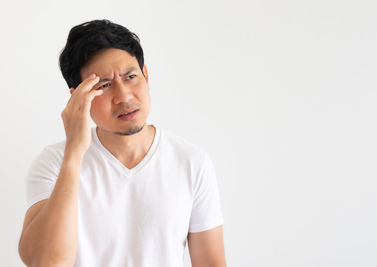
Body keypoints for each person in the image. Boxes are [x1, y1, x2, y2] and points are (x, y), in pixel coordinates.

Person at [18, 19, 226, 267]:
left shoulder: (191, 162)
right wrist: (74, 152)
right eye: (104, 85)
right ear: (78, 97)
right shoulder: (54, 163)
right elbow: (45, 263)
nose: (124, 96)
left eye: (130, 76)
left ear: (146, 75)